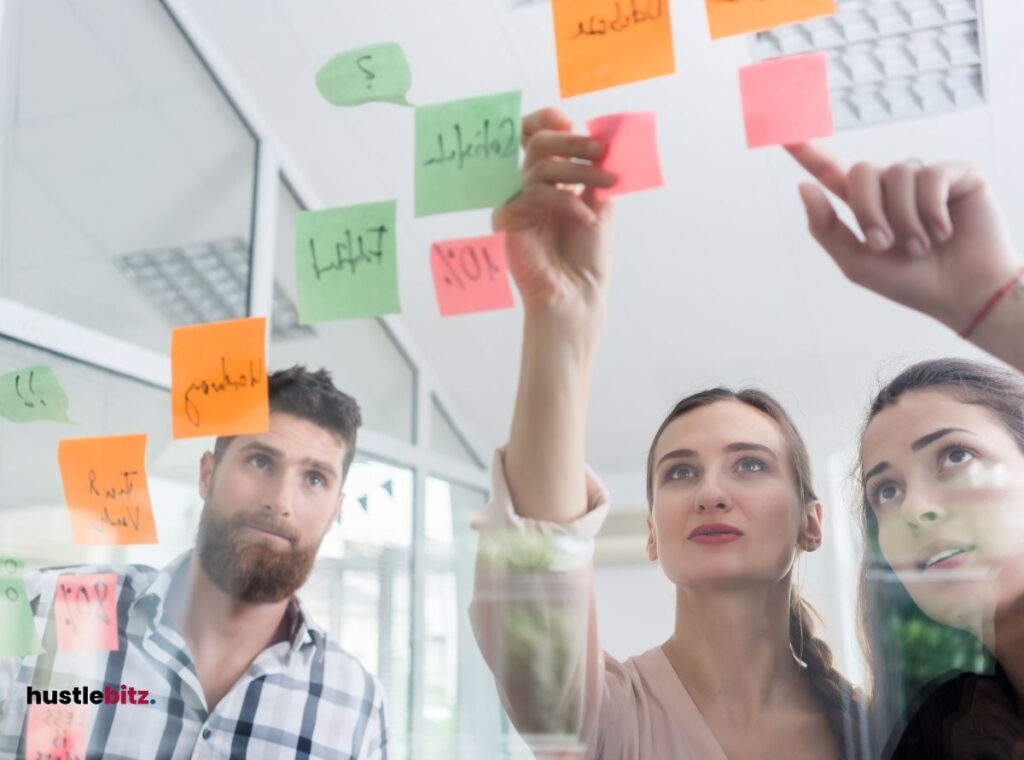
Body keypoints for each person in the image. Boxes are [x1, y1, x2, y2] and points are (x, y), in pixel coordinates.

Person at [468, 108, 861, 760]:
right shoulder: (606, 721)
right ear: (652, 533)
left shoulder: (879, 733)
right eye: (680, 472)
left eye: (751, 466)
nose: (710, 492)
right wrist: (559, 320)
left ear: (811, 524)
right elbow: (534, 579)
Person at [0, 366, 388, 759]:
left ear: (336, 510)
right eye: (260, 461)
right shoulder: (38, 613)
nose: (282, 502)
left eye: (315, 479)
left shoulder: (357, 706)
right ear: (207, 474)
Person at [787, 144, 1024, 757]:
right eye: (885, 491)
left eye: (953, 456)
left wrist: (995, 305)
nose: (913, 510)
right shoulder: (945, 730)